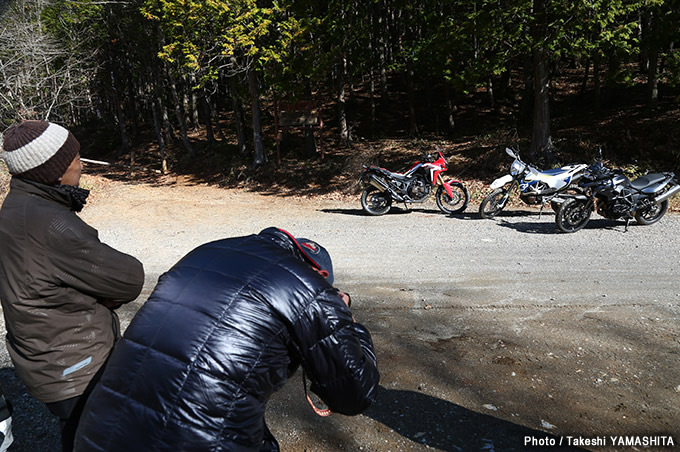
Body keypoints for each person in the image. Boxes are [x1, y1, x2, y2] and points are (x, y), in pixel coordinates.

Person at [75, 227, 380, 451]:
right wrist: (350, 325)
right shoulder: (309, 289)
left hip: (100, 428)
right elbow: (354, 395)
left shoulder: (206, 252)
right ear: (317, 273)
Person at [0, 120, 145, 451]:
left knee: (81, 433)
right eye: (75, 157)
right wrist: (100, 296)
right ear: (53, 170)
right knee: (95, 436)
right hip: (76, 366)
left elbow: (42, 280)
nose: (81, 164)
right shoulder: (52, 224)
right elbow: (130, 278)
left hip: (44, 357)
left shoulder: (16, 206)